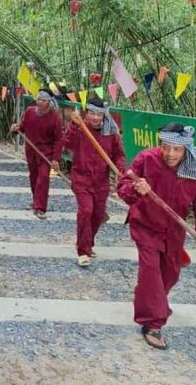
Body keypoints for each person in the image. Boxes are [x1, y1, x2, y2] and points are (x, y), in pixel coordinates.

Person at [118, 122, 196, 351]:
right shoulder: (146, 159)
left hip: (174, 230)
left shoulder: (195, 170)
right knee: (151, 272)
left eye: (177, 150)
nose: (170, 154)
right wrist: (135, 189)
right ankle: (152, 323)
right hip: (145, 224)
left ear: (186, 150)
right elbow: (122, 188)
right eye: (166, 147)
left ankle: (149, 296)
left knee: (169, 275)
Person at [62, 99, 125, 267]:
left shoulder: (111, 132)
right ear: (87, 113)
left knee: (97, 215)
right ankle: (83, 251)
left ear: (104, 115)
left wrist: (119, 171)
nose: (95, 118)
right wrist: (75, 126)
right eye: (92, 113)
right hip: (81, 178)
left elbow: (119, 154)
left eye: (99, 114)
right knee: (86, 211)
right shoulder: (80, 127)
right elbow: (67, 143)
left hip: (101, 181)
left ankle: (87, 242)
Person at [10, 90, 63, 219]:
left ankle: (40, 207)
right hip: (31, 150)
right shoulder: (29, 111)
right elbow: (22, 127)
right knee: (34, 176)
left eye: (43, 100)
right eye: (39, 99)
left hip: (46, 152)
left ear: (49, 102)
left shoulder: (55, 117)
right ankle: (36, 201)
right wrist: (16, 129)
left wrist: (56, 159)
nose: (40, 102)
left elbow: (59, 139)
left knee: (43, 177)